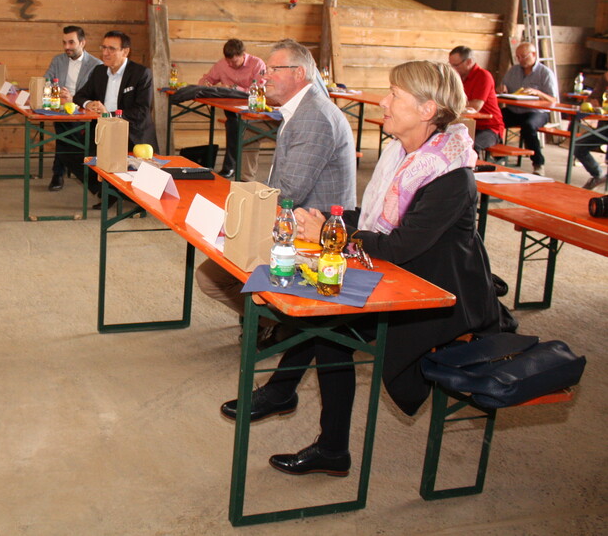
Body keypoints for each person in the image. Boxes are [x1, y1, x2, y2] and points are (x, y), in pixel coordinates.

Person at [223, 61, 503, 478]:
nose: (384, 103)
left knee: (329, 325)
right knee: (317, 299)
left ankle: (321, 435)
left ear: (427, 111)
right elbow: (376, 224)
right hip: (405, 277)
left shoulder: (449, 176)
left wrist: (330, 232)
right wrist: (329, 223)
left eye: (395, 96)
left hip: (440, 299)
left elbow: (398, 246)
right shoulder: (403, 155)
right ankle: (296, 406)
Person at [195, 38, 357, 318]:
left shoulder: (313, 116)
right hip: (293, 221)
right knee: (212, 273)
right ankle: (270, 323)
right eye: (265, 70)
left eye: (273, 70)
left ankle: (279, 323)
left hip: (313, 235)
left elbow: (291, 193)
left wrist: (242, 215)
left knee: (214, 277)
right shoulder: (301, 109)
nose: (264, 77)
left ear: (299, 73)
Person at [71, 31, 158, 207]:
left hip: (132, 132)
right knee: (72, 151)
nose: (105, 53)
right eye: (104, 47)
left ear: (125, 52)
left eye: (112, 49)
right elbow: (79, 95)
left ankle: (124, 193)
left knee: (129, 163)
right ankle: (107, 192)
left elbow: (142, 111)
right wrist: (89, 104)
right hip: (104, 130)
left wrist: (108, 114)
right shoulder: (99, 71)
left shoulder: (141, 74)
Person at [43, 25, 101, 192]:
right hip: (60, 107)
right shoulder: (58, 60)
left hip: (82, 111)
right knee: (64, 127)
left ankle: (59, 173)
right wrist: (56, 91)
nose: (66, 47)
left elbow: (95, 94)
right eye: (64, 43)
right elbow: (46, 80)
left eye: (71, 43)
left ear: (82, 43)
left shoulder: (96, 65)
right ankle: (70, 167)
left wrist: (73, 99)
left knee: (64, 132)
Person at [198, 39, 266, 178]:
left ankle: (230, 166)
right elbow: (206, 79)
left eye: (234, 62)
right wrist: (207, 84)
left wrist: (233, 88)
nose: (230, 64)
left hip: (251, 106)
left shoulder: (257, 64)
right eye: (228, 61)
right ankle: (231, 166)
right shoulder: (223, 64)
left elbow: (259, 89)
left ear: (243, 55)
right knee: (233, 123)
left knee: (234, 125)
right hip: (231, 107)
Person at [501, 42, 558, 175]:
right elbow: (504, 86)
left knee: (528, 126)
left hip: (536, 112)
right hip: (514, 109)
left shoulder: (545, 73)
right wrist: (502, 88)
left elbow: (553, 100)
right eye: (518, 57)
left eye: (523, 56)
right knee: (496, 118)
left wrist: (538, 93)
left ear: (533, 55)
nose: (520, 60)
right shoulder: (513, 70)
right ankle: (499, 156)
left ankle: (538, 163)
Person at [447, 45, 504, 154]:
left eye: (456, 65)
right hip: (468, 125)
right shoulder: (457, 77)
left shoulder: (484, 76)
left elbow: (475, 106)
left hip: (489, 128)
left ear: (468, 62)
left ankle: (472, 170)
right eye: (450, 65)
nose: (452, 69)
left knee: (470, 146)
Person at [572, 72, 608, 190]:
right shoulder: (605, 78)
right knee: (578, 145)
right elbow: (592, 97)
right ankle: (598, 175)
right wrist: (593, 101)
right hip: (604, 125)